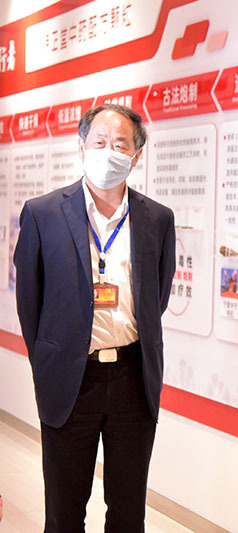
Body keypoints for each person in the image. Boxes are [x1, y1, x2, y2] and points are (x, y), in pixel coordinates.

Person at [14, 104, 175, 532]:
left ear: (136, 155)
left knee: (128, 512)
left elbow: (157, 297)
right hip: (70, 379)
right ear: (81, 147)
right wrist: (50, 360)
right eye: (99, 141)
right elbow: (29, 302)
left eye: (120, 144)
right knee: (64, 513)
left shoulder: (157, 219)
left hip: (133, 380)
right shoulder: (43, 213)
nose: (109, 151)